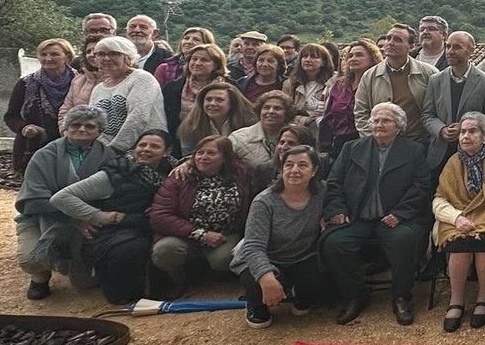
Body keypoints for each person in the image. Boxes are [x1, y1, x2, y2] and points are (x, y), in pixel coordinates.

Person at [322, 102, 432, 326]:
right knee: (335, 242)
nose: (379, 124)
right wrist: (337, 210)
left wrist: (400, 213)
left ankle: (401, 296)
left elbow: (422, 185)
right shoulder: (352, 148)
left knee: (404, 239)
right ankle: (355, 294)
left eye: (386, 120)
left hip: (396, 217)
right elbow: (334, 182)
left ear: (398, 126)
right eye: (376, 120)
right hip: (356, 216)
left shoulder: (414, 150)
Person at [48, 129, 173, 305]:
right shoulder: (115, 173)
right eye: (142, 145)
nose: (146, 149)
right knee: (132, 249)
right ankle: (124, 294)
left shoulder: (170, 172)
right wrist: (98, 216)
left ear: (167, 152)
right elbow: (60, 198)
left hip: (143, 226)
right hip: (110, 232)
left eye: (154, 146)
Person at [14, 105, 115, 299]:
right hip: (40, 218)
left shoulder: (109, 156)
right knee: (31, 260)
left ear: (100, 131)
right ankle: (39, 277)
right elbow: (34, 201)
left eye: (90, 126)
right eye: (75, 125)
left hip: (90, 222)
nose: (82, 129)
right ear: (65, 128)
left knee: (84, 283)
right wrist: (77, 218)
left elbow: (111, 197)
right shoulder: (44, 155)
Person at [431, 112, 485, 332]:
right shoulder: (453, 161)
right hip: (457, 216)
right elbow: (439, 199)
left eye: (472, 131)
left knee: (483, 239)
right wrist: (457, 218)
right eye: (462, 132)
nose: (465, 136)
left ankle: (484, 297)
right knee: (460, 242)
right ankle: (456, 301)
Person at [233, 144, 331, 328]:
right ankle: (255, 304)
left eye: (303, 165)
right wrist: (266, 278)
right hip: (270, 258)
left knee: (320, 287)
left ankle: (300, 294)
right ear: (281, 169)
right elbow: (253, 246)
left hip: (304, 257)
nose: (295, 170)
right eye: (289, 165)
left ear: (314, 171)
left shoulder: (323, 192)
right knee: (255, 281)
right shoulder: (264, 201)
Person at [148, 134, 257, 297]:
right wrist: (202, 235)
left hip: (226, 235)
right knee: (164, 251)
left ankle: (218, 280)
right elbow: (159, 216)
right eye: (199, 153)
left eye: (211, 153)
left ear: (225, 158)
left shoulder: (242, 174)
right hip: (184, 235)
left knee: (225, 258)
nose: (203, 157)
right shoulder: (179, 177)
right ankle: (178, 279)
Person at [422, 30, 485, 172]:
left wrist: (467, 129)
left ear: (471, 51)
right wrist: (441, 130)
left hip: (475, 156)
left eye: (457, 47)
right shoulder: (435, 80)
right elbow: (427, 115)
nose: (450, 51)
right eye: (448, 46)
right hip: (440, 155)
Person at [354, 24, 436, 142]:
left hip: (419, 142)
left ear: (411, 46)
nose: (390, 43)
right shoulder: (370, 76)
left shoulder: (429, 73)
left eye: (397, 40)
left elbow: (437, 110)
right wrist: (374, 139)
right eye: (388, 38)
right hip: (382, 143)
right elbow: (361, 112)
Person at [6, 38, 77, 173]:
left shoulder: (80, 81)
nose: (48, 58)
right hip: (33, 149)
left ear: (67, 57)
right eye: (43, 54)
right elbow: (11, 116)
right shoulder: (25, 84)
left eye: (54, 54)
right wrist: (25, 128)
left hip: (73, 148)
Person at [86, 36, 167, 152]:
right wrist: (100, 149)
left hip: (144, 149)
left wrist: (114, 149)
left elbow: (138, 118)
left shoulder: (141, 79)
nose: (106, 58)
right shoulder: (98, 89)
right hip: (106, 151)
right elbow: (94, 122)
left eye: (114, 54)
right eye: (101, 54)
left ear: (128, 57)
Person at [320, 38, 380, 156]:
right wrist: (324, 147)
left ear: (372, 58)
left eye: (359, 55)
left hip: (367, 144)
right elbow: (328, 118)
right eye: (350, 56)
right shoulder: (340, 85)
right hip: (339, 146)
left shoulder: (377, 84)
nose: (353, 59)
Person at [162, 44, 227, 148]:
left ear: (216, 64)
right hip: (182, 140)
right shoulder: (173, 88)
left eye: (204, 60)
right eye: (194, 59)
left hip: (221, 140)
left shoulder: (229, 87)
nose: (197, 63)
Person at [175, 80, 255, 156]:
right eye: (208, 100)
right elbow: (188, 155)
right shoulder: (191, 126)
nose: (212, 103)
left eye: (219, 100)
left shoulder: (249, 124)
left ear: (232, 104)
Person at [228, 91, 295, 175]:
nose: (271, 111)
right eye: (266, 107)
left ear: (287, 113)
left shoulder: (298, 133)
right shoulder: (237, 138)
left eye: (277, 108)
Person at [284, 43, 335, 129]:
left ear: (323, 62)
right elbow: (285, 112)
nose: (308, 60)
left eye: (314, 57)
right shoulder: (290, 84)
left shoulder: (334, 82)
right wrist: (305, 120)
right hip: (298, 130)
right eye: (304, 56)